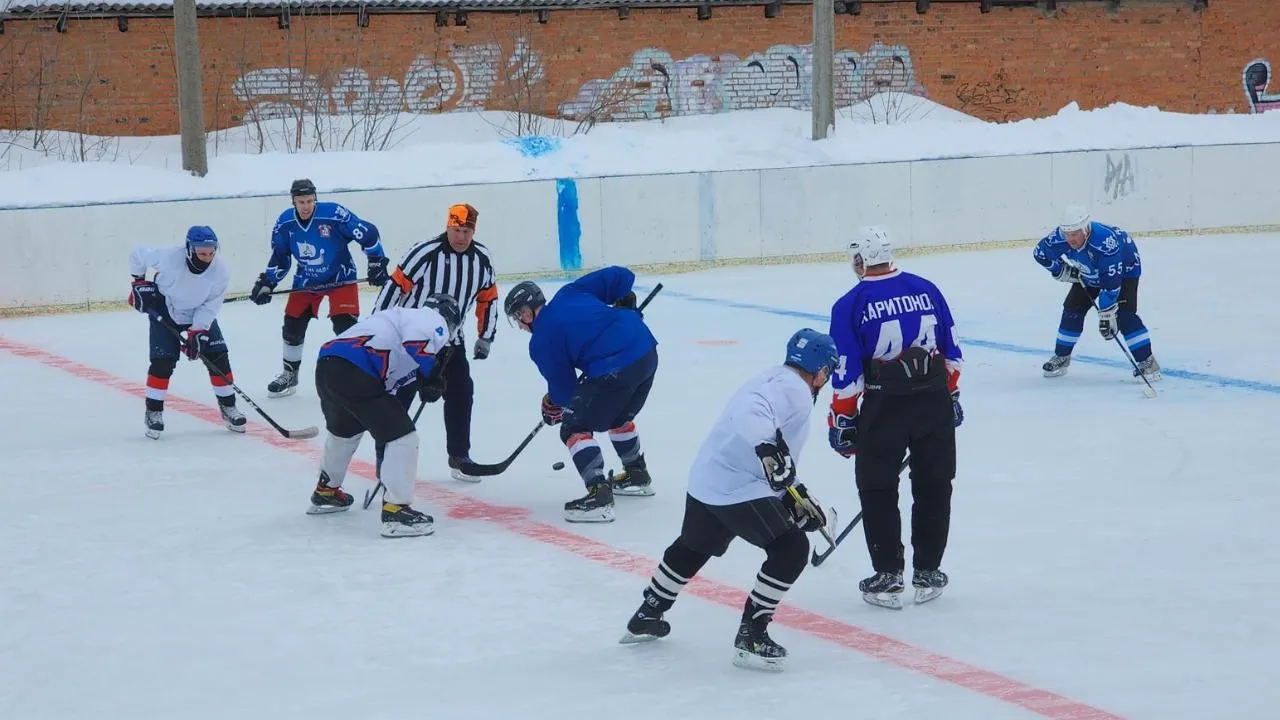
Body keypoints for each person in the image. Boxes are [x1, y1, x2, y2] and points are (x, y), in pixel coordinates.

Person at [620, 329, 837, 672]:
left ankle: (648, 613)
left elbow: (775, 454)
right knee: (791, 548)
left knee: (694, 545)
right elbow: (753, 415)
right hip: (737, 487)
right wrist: (768, 451)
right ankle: (752, 635)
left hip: (708, 477)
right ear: (822, 370)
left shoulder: (774, 376)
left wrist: (794, 491)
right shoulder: (795, 389)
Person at [827, 225, 963, 610]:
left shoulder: (849, 303)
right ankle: (928, 570)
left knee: (877, 487)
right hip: (933, 399)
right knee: (935, 483)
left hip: (884, 405)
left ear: (860, 260)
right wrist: (950, 395)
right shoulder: (927, 289)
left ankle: (888, 574)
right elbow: (951, 352)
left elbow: (848, 372)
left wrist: (842, 419)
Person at [503, 267, 657, 523]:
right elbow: (621, 276)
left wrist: (552, 405)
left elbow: (566, 393)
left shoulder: (541, 340)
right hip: (646, 351)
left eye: (518, 318)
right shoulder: (569, 293)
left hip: (614, 368)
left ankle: (598, 495)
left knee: (574, 426)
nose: (520, 325)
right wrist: (624, 300)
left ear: (526, 312)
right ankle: (636, 474)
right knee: (615, 414)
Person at [304, 294, 461, 539]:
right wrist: (432, 376)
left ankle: (327, 491)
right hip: (357, 370)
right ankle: (396, 511)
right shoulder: (430, 318)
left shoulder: (391, 323)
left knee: (345, 432)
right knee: (404, 437)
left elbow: (389, 392)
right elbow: (418, 343)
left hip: (328, 367)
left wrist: (424, 383)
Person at [371, 202, 499, 481]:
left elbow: (488, 298)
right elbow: (395, 288)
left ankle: (459, 456)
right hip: (410, 342)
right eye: (456, 229)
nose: (461, 237)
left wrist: (485, 335)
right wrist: (379, 329)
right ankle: (386, 460)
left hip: (451, 343)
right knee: (398, 400)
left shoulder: (482, 258)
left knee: (462, 392)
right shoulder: (425, 253)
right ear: (447, 226)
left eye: (466, 231)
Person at [249, 178, 390, 398]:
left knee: (345, 327)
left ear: (315, 199)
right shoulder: (285, 224)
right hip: (306, 280)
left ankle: (356, 375)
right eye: (300, 202)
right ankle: (290, 374)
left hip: (341, 277)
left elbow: (369, 233)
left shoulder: (334, 214)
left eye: (309, 201)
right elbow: (281, 257)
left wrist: (376, 262)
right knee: (292, 325)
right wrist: (267, 282)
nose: (305, 206)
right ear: (292, 202)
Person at [128, 226, 246, 439]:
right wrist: (138, 282)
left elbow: (211, 306)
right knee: (162, 362)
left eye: (211, 252)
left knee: (218, 357)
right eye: (202, 253)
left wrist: (198, 331)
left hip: (197, 311)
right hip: (165, 306)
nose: (207, 258)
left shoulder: (220, 272)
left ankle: (229, 408)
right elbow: (137, 253)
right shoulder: (169, 257)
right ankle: (153, 412)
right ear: (190, 249)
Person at [1033, 205, 1161, 381]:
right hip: (1089, 271)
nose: (1071, 239)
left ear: (1086, 228)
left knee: (1123, 314)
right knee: (1072, 309)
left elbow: (1111, 285)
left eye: (1075, 233)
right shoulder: (1060, 237)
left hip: (1124, 271)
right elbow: (1040, 253)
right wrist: (1060, 269)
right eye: (1067, 234)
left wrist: (1107, 314)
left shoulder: (1105, 242)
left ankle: (1148, 362)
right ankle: (1062, 357)